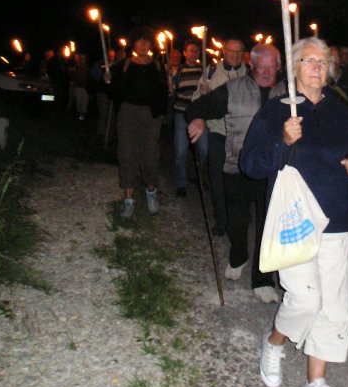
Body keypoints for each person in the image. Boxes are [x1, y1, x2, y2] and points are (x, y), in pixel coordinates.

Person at [240, 37, 348, 387]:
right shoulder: (275, 110)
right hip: (293, 219)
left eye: (323, 62)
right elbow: (250, 164)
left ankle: (317, 380)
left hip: (336, 219)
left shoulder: (341, 113)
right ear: (294, 68)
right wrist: (282, 140)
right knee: (305, 299)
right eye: (309, 60)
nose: (317, 67)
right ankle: (274, 343)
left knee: (333, 307)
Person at [186, 43, 286, 304]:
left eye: (271, 66)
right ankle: (239, 254)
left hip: (275, 170)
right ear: (251, 64)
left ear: (278, 66)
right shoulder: (234, 88)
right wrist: (198, 118)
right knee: (237, 222)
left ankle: (263, 278)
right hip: (238, 165)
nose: (266, 71)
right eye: (261, 66)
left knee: (268, 225)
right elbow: (198, 107)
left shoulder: (289, 92)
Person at [105, 26, 168, 218]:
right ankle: (129, 200)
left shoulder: (158, 66)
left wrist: (161, 114)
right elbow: (113, 93)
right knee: (127, 154)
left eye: (146, 41)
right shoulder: (123, 65)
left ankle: (151, 192)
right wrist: (108, 80)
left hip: (151, 116)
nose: (143, 45)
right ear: (134, 44)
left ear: (151, 44)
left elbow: (163, 93)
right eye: (139, 41)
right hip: (128, 114)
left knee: (150, 156)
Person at [192, 37, 249, 235]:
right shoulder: (211, 72)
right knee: (217, 179)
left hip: (242, 137)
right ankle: (221, 221)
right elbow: (196, 102)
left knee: (238, 181)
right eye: (231, 51)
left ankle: (238, 219)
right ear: (224, 52)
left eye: (239, 51)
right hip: (218, 134)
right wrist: (202, 94)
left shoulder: (250, 73)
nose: (235, 55)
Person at [171, 38, 208, 198]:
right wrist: (170, 84)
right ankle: (181, 183)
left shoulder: (204, 72)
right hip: (181, 115)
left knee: (204, 150)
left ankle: (196, 174)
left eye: (196, 51)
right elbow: (173, 92)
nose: (194, 53)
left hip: (199, 116)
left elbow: (210, 93)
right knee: (180, 151)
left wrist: (207, 89)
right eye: (191, 50)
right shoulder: (178, 71)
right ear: (185, 53)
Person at [67, 53, 90, 120]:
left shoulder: (87, 67)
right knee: (79, 101)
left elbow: (88, 77)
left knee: (85, 101)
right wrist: (71, 72)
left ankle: (82, 115)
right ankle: (78, 115)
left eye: (84, 58)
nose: (83, 60)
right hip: (77, 87)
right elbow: (71, 77)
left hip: (85, 87)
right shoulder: (76, 67)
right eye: (82, 58)